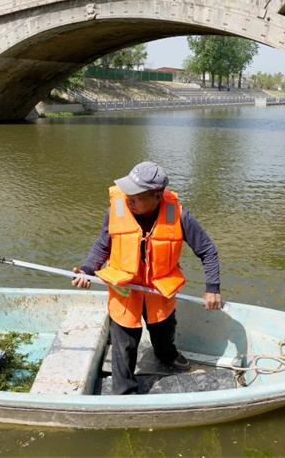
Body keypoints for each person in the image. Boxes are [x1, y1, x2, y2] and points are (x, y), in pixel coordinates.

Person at [72, 162, 222, 395]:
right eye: (127, 192)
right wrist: (87, 270)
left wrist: (212, 287)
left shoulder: (180, 215)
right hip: (125, 292)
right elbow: (102, 245)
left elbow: (208, 251)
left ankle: (166, 355)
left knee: (163, 335)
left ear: (157, 196)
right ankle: (125, 396)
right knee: (123, 347)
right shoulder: (116, 210)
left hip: (158, 292)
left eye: (136, 195)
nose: (128, 198)